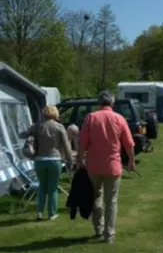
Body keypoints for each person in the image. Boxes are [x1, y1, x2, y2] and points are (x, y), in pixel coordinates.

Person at [77, 91, 135, 243]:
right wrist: (131, 160)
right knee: (111, 201)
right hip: (113, 166)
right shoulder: (119, 118)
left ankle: (98, 228)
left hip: (94, 166)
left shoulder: (91, 118)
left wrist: (79, 159)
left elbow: (82, 143)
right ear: (112, 103)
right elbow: (128, 144)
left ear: (99, 103)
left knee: (96, 197)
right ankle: (109, 234)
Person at [20, 105, 72, 221]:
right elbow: (66, 147)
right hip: (54, 159)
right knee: (53, 188)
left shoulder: (37, 126)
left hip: (39, 160)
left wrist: (29, 130)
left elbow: (21, 135)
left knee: (42, 187)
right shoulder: (59, 126)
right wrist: (70, 161)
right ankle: (51, 213)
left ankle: (39, 212)